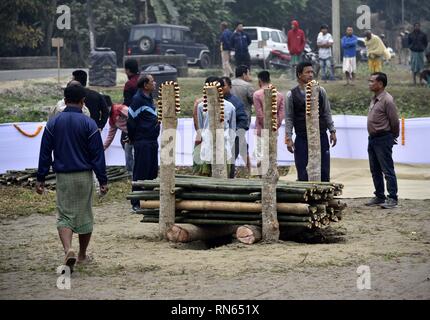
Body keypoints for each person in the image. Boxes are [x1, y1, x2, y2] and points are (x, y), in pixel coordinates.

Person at [36, 85, 108, 271]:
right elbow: (97, 154)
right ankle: (82, 255)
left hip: (63, 177)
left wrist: (41, 178)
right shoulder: (89, 124)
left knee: (65, 216)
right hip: (84, 176)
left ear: (65, 100)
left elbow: (45, 152)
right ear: (83, 102)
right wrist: (103, 180)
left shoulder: (53, 123)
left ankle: (68, 249)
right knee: (85, 215)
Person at [285, 62, 337, 182]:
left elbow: (326, 112)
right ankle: (305, 197)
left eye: (312, 72)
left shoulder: (321, 91)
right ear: (299, 75)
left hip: (321, 135)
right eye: (307, 72)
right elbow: (289, 118)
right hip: (302, 137)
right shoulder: (291, 95)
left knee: (324, 169)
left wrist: (332, 131)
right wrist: (288, 138)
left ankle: (324, 196)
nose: (311, 75)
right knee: (302, 169)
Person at [365, 72, 399, 209]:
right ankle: (379, 195)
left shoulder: (387, 100)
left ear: (380, 84)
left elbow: (394, 122)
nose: (369, 83)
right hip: (372, 139)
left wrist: (392, 137)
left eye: (372, 81)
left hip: (383, 138)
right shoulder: (375, 98)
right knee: (375, 169)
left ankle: (392, 198)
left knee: (387, 169)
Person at [127, 75, 160, 212]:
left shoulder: (150, 99)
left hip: (152, 141)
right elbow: (131, 122)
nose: (154, 83)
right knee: (141, 171)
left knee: (151, 172)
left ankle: (148, 201)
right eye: (152, 81)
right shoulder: (137, 100)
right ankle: (136, 202)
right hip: (142, 141)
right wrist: (134, 139)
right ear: (145, 85)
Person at [196, 77, 236, 177]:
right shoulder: (201, 107)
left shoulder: (230, 107)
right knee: (206, 180)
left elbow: (232, 129)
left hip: (224, 148)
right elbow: (201, 128)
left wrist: (228, 146)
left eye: (217, 88)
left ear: (222, 89)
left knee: (223, 178)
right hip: (207, 148)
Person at [253, 71, 285, 165]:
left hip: (260, 131)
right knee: (272, 156)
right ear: (269, 79)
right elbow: (281, 114)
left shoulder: (257, 94)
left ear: (259, 81)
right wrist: (275, 126)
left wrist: (266, 126)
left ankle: (262, 177)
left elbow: (259, 114)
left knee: (261, 159)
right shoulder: (279, 95)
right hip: (274, 131)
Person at [221, 76, 249, 177]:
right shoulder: (213, 102)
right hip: (218, 138)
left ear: (230, 87)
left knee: (230, 162)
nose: (221, 88)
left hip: (234, 137)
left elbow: (243, 120)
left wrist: (233, 132)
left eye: (223, 86)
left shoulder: (235, 102)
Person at [103, 104, 133, 175]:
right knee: (127, 149)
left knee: (136, 153)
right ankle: (131, 173)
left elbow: (133, 116)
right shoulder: (112, 120)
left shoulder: (120, 109)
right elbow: (110, 136)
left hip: (139, 132)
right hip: (130, 136)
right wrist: (102, 148)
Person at [231, 65, 255, 129]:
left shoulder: (229, 84)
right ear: (244, 74)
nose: (249, 76)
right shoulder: (248, 86)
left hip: (230, 117)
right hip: (243, 118)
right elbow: (254, 100)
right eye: (248, 74)